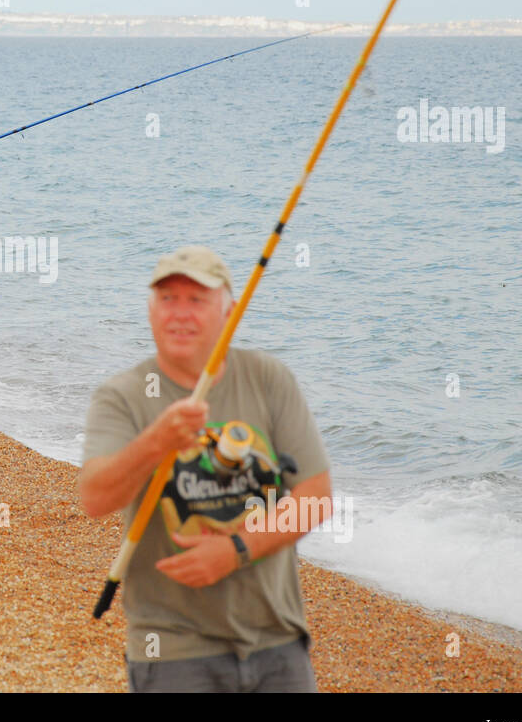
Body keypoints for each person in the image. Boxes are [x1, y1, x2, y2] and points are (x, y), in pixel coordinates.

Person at [78, 245, 333, 692]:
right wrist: (155, 443)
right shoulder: (122, 395)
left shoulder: (267, 377)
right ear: (150, 309)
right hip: (174, 649)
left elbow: (314, 497)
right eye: (167, 298)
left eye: (197, 300)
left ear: (229, 311)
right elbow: (95, 498)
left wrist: (235, 549)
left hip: (277, 641)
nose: (180, 313)